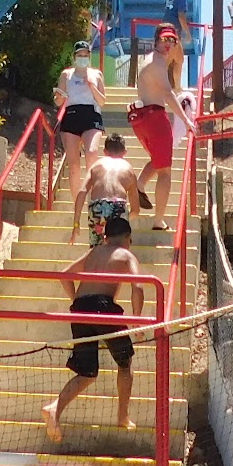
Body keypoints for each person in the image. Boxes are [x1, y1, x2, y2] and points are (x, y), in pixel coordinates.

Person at [41, 214, 146, 443]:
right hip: (104, 307)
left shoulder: (94, 252)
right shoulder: (126, 255)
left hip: (81, 309)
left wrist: (77, 301)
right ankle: (123, 416)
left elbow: (65, 275)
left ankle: (55, 408)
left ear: (106, 237)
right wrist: (137, 319)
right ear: (127, 238)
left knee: (87, 372)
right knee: (125, 362)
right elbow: (138, 286)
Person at [127, 26, 188, 230]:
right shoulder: (157, 62)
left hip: (142, 117)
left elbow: (178, 59)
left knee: (158, 159)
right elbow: (169, 94)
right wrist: (186, 121)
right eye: (165, 39)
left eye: (172, 40)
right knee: (165, 172)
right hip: (154, 117)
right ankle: (158, 220)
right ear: (156, 40)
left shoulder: (153, 59)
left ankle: (139, 185)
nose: (168, 44)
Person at [53, 40, 107, 200]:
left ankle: (93, 197)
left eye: (85, 55)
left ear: (89, 56)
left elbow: (102, 101)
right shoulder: (66, 74)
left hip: (91, 114)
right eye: (80, 55)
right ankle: (77, 202)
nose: (83, 58)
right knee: (74, 164)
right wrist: (59, 96)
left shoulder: (96, 74)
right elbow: (58, 102)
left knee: (92, 152)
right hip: (72, 114)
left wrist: (92, 86)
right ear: (74, 56)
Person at [73, 130, 145, 242]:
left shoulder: (96, 166)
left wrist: (76, 223)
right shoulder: (128, 169)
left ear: (105, 151)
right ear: (125, 152)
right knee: (118, 246)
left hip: (97, 206)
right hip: (118, 205)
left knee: (97, 246)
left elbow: (82, 191)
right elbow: (135, 210)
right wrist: (123, 218)